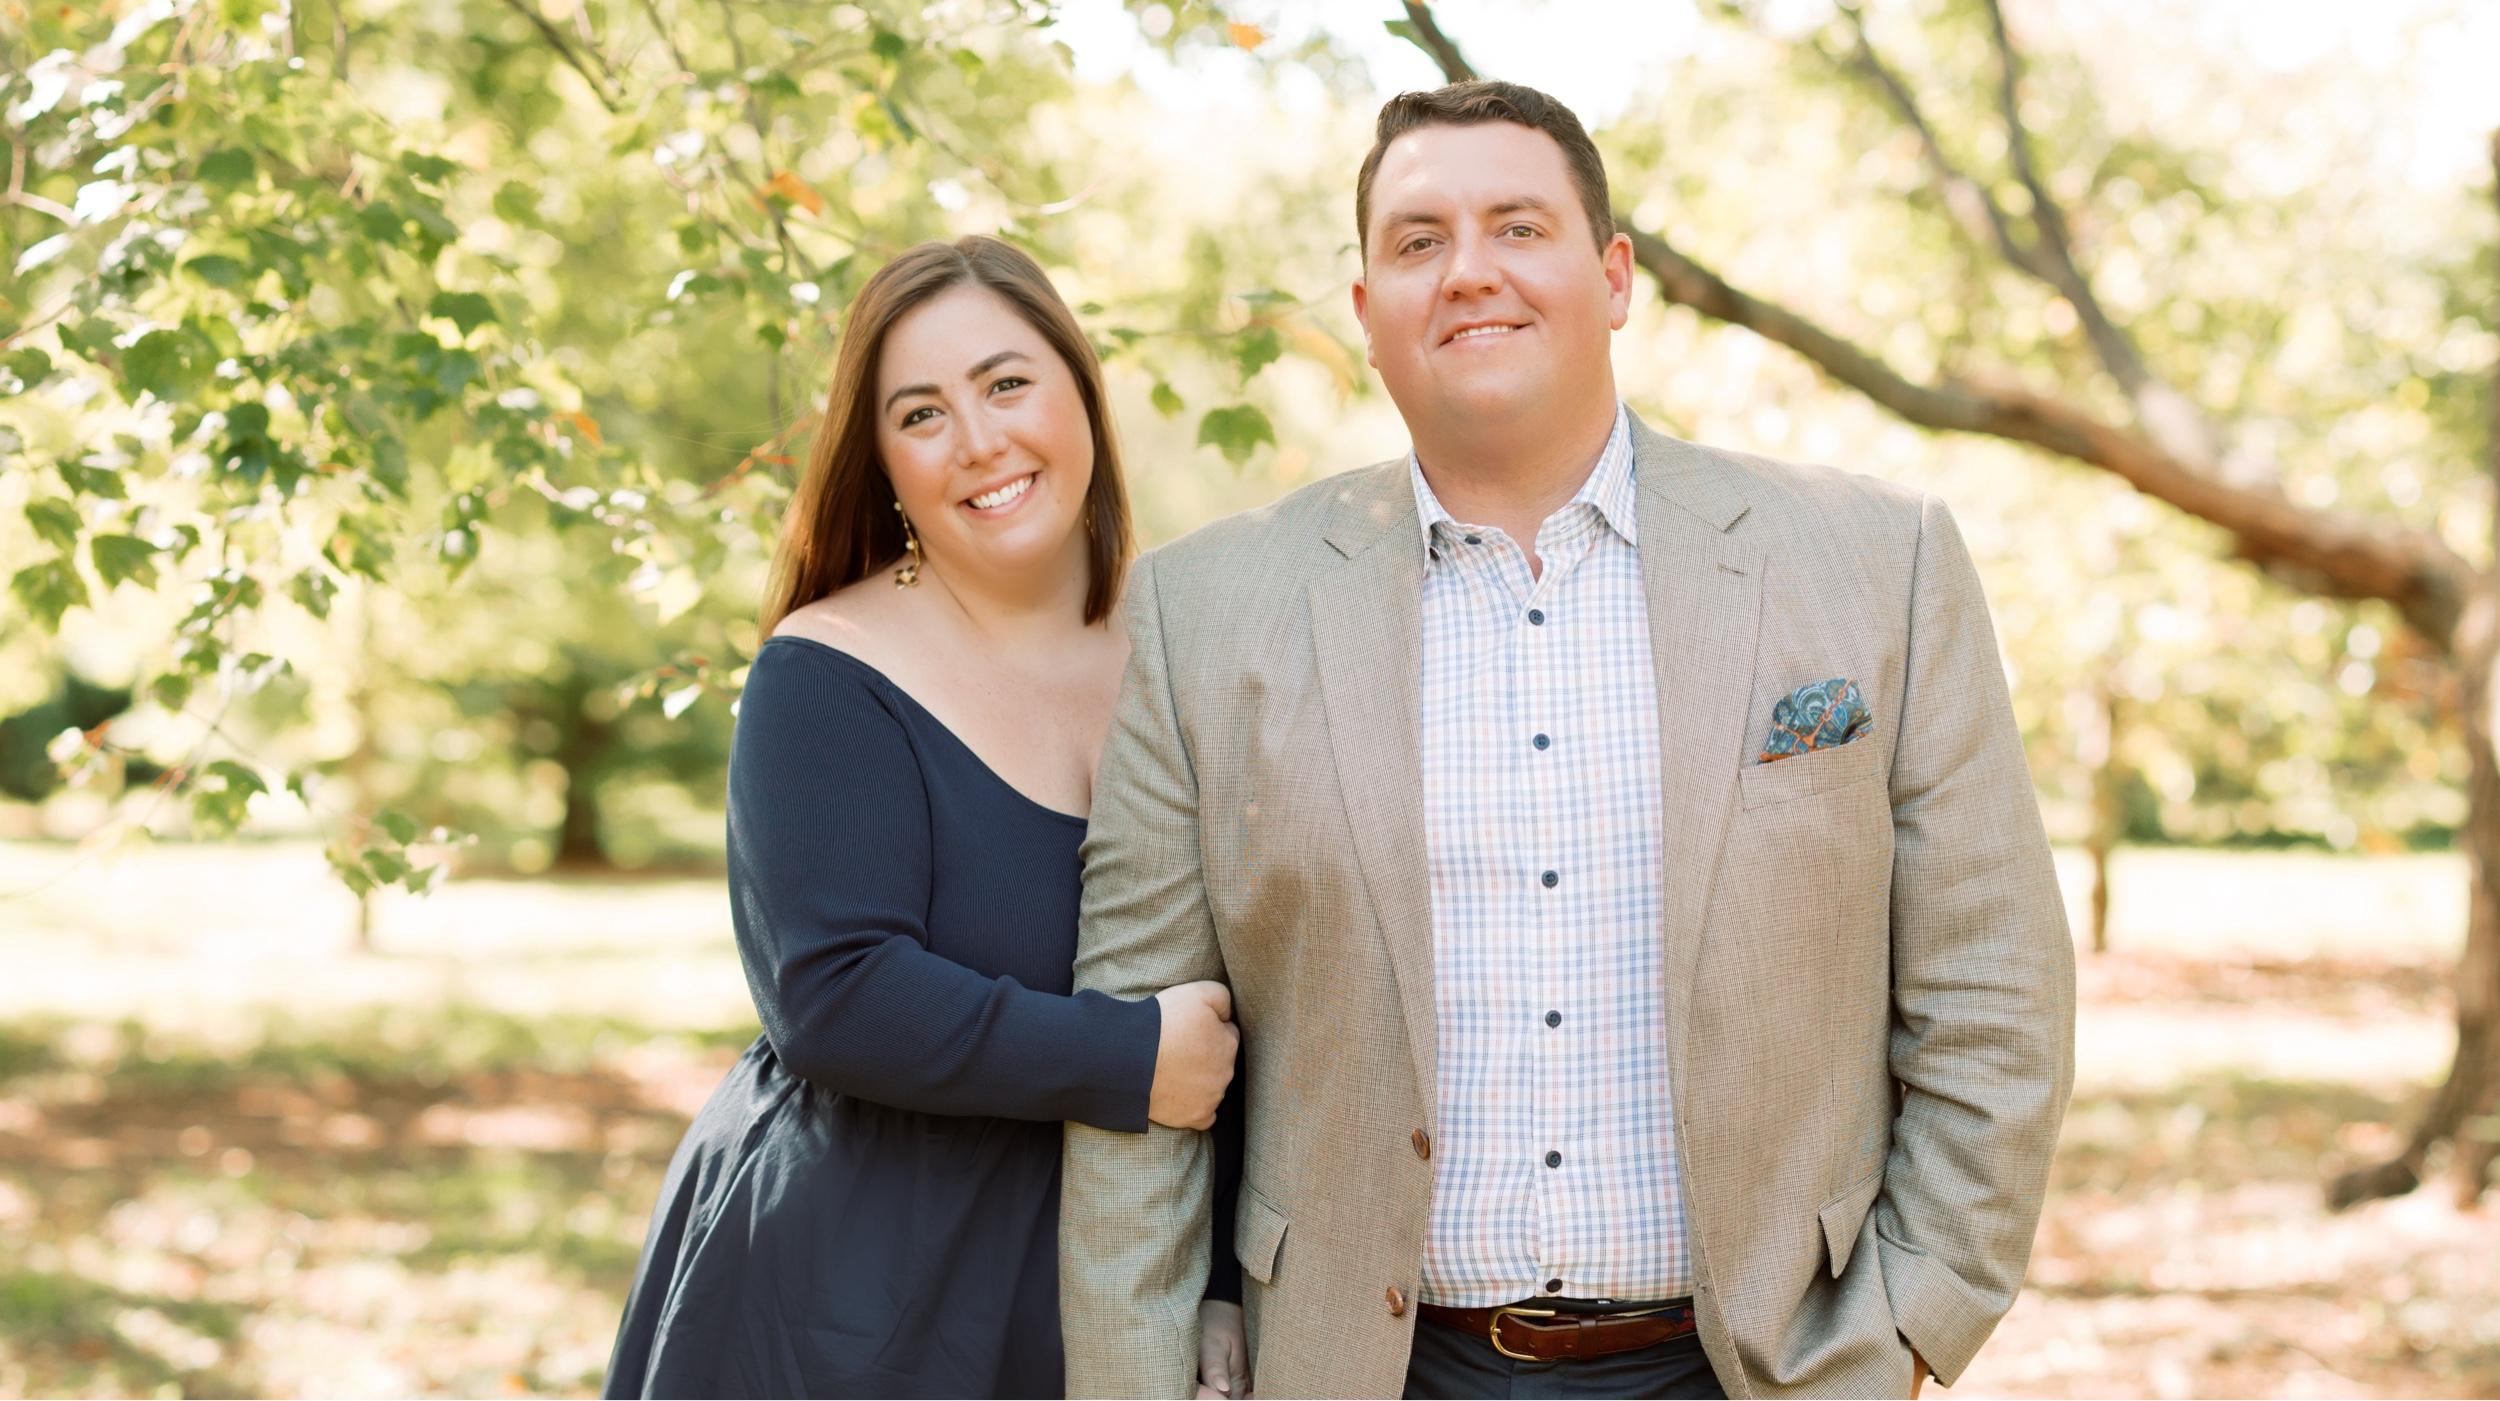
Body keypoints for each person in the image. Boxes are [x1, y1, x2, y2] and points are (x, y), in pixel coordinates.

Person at [1062, 80, 2075, 1400]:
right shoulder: (1203, 611)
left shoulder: (1880, 561)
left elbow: (1993, 988)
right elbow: (1136, 1064)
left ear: (1614, 279)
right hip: (1366, 1370)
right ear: (1366, 312)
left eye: (1518, 227)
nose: (1468, 271)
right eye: (1418, 241)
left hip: (1770, 1367)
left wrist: (1913, 1317)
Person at [605, 235, 1249, 1399]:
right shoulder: (827, 671)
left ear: (1079, 390)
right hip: (846, 1301)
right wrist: (1128, 1056)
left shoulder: (1194, 656)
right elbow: (836, 994)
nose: (978, 441)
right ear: (884, 463)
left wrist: (1217, 1288)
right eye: (921, 414)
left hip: (1099, 1292)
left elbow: (1263, 1000)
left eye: (1006, 384)